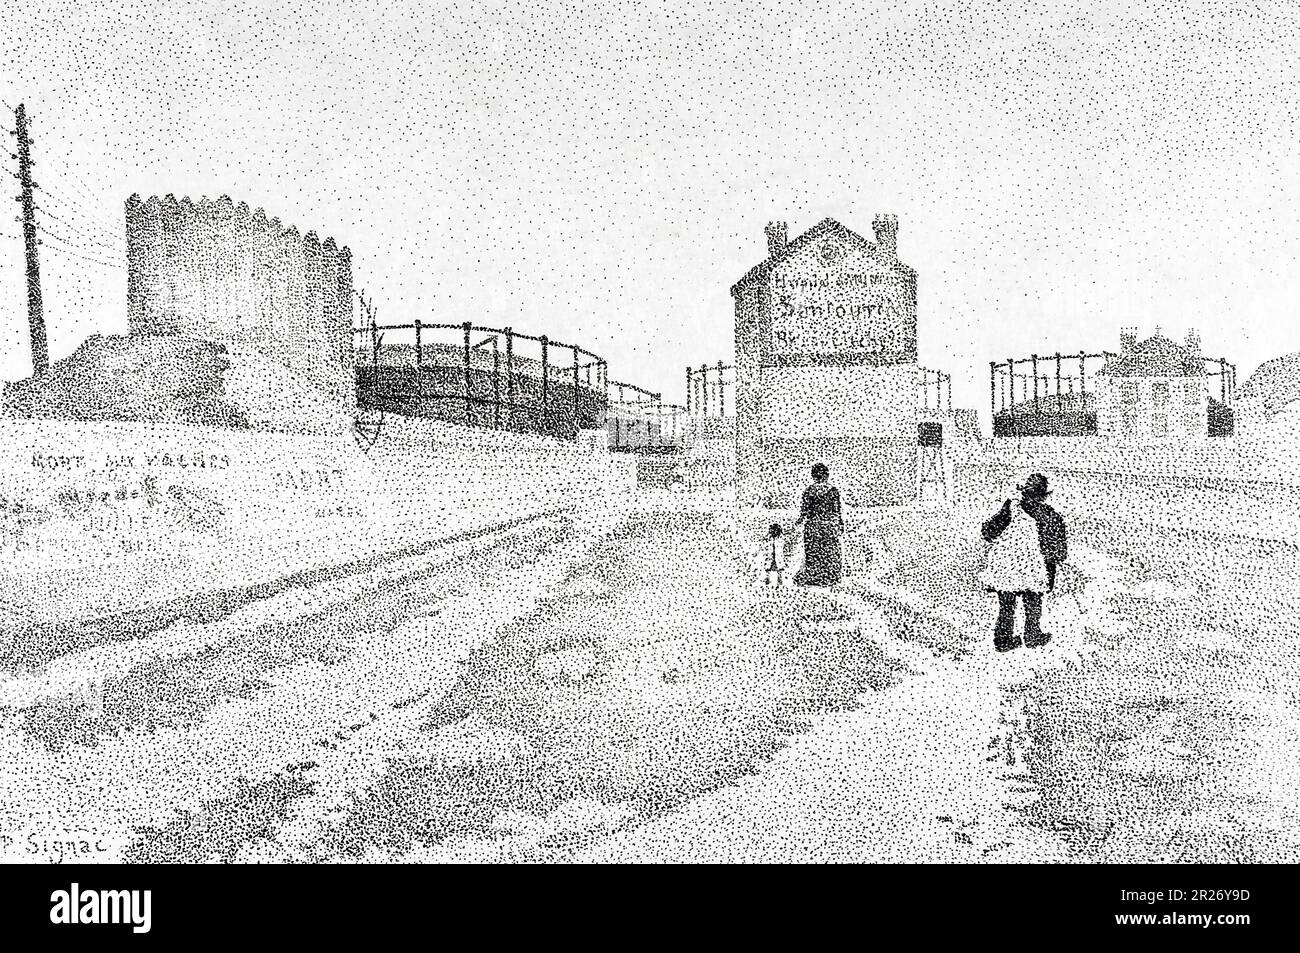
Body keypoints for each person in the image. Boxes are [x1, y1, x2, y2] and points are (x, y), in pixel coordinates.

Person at [979, 473, 1068, 653]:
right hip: (1033, 567)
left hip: (1007, 565)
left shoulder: (1011, 507)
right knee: (1033, 602)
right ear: (1043, 496)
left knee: (1006, 605)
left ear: (1025, 493)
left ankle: (1003, 641)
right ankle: (1032, 636)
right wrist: (1053, 567)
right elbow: (1058, 551)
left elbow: (989, 532)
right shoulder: (1050, 515)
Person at [793, 462, 844, 587]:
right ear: (826, 475)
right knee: (829, 551)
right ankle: (830, 577)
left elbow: (804, 511)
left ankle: (814, 577)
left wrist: (797, 522)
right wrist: (840, 524)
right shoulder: (833, 491)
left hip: (813, 525)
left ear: (813, 476)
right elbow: (836, 511)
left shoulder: (808, 491)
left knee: (813, 551)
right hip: (829, 525)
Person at [762, 523, 789, 587]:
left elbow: (785, 545)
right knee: (768, 568)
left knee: (779, 568)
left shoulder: (781, 538)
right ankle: (768, 581)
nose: (774, 532)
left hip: (778, 555)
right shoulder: (769, 538)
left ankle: (779, 582)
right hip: (770, 554)